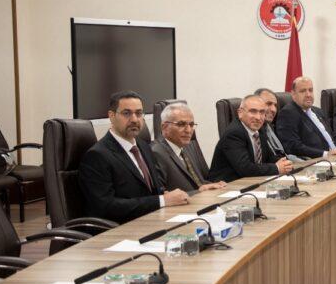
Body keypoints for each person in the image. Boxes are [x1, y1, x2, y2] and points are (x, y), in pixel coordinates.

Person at [79, 90, 189, 223]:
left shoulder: (143, 146)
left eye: (139, 113)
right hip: (123, 228)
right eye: (126, 113)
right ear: (111, 116)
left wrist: (167, 195)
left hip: (154, 220)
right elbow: (106, 207)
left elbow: (153, 191)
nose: (134, 119)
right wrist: (162, 200)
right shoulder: (97, 155)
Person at [208, 94, 294, 182]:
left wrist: (285, 164)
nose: (258, 117)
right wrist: (277, 168)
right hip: (226, 185)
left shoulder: (260, 130)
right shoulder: (234, 134)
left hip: (250, 181)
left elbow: (269, 158)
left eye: (262, 112)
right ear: (240, 113)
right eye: (253, 111)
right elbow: (245, 168)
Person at [152, 102, 226, 194]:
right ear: (164, 127)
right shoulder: (156, 153)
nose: (188, 130)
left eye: (191, 125)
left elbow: (197, 182)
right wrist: (198, 192)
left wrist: (213, 185)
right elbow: (162, 196)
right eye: (181, 124)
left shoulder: (185, 147)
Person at [276, 76, 336, 158]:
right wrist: (325, 154)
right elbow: (293, 146)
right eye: (303, 91)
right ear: (293, 94)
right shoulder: (288, 113)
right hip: (318, 161)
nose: (308, 95)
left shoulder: (318, 111)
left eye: (310, 90)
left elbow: (332, 137)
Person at [254, 87, 290, 157]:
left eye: (275, 105)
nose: (274, 110)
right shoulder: (253, 131)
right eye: (268, 104)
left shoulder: (270, 126)